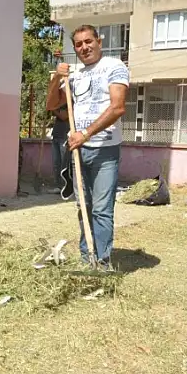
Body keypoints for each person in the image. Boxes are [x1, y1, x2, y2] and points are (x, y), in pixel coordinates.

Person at [46, 24, 129, 270]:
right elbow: (53, 104)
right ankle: (87, 257)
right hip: (78, 150)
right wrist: (56, 80)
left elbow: (118, 107)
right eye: (79, 44)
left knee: (102, 209)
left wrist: (86, 133)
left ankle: (101, 262)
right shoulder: (75, 74)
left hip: (104, 149)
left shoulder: (114, 66)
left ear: (98, 42)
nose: (84, 47)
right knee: (84, 206)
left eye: (88, 41)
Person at [47, 102, 71, 195]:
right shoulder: (59, 103)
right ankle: (57, 185)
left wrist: (53, 108)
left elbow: (64, 116)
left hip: (64, 136)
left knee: (64, 163)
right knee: (56, 163)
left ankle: (65, 186)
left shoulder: (70, 103)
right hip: (56, 135)